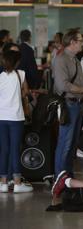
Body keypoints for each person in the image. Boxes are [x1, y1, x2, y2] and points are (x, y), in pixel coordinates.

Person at [52, 30, 83, 185]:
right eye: (80, 40)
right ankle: (60, 177)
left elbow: (79, 82)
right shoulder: (61, 59)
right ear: (72, 42)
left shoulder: (75, 60)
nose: (82, 43)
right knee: (65, 142)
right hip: (68, 105)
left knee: (72, 144)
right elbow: (62, 85)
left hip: (77, 105)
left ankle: (68, 176)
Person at [0, 48, 33, 193]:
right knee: (15, 149)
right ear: (17, 62)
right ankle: (18, 183)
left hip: (1, 117)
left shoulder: (0, 76)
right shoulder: (21, 74)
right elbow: (26, 92)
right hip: (16, 118)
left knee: (4, 150)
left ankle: (3, 183)